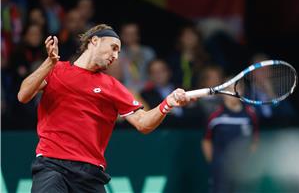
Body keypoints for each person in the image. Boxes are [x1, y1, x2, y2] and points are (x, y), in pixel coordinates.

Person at [17, 24, 192, 193]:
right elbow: (23, 95)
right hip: (52, 166)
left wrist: (166, 104)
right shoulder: (56, 70)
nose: (115, 56)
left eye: (118, 51)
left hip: (90, 174)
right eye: (113, 48)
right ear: (95, 41)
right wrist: (50, 62)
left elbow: (143, 123)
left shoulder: (112, 86)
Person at [201, 79, 258, 193]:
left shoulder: (250, 115)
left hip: (243, 172)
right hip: (220, 171)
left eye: (237, 88)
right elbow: (206, 141)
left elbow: (255, 139)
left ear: (242, 92)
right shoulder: (215, 116)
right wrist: (215, 164)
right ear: (223, 93)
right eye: (229, 89)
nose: (233, 92)